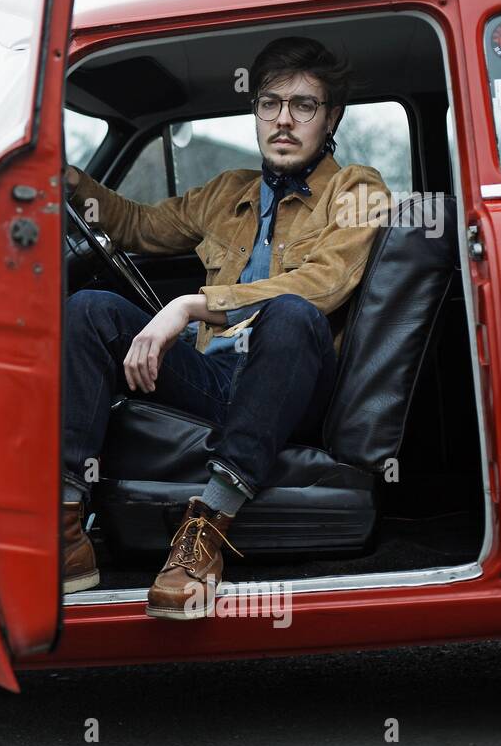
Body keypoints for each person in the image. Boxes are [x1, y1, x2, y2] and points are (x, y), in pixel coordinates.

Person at [61, 36, 391, 618]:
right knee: (91, 308)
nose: (283, 120)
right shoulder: (228, 191)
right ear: (256, 112)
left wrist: (191, 305)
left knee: (291, 314)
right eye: (270, 103)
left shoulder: (356, 188)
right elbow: (135, 224)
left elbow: (325, 283)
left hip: (298, 387)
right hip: (218, 379)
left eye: (304, 105)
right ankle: (65, 529)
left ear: (331, 117)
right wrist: (63, 179)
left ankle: (205, 531)